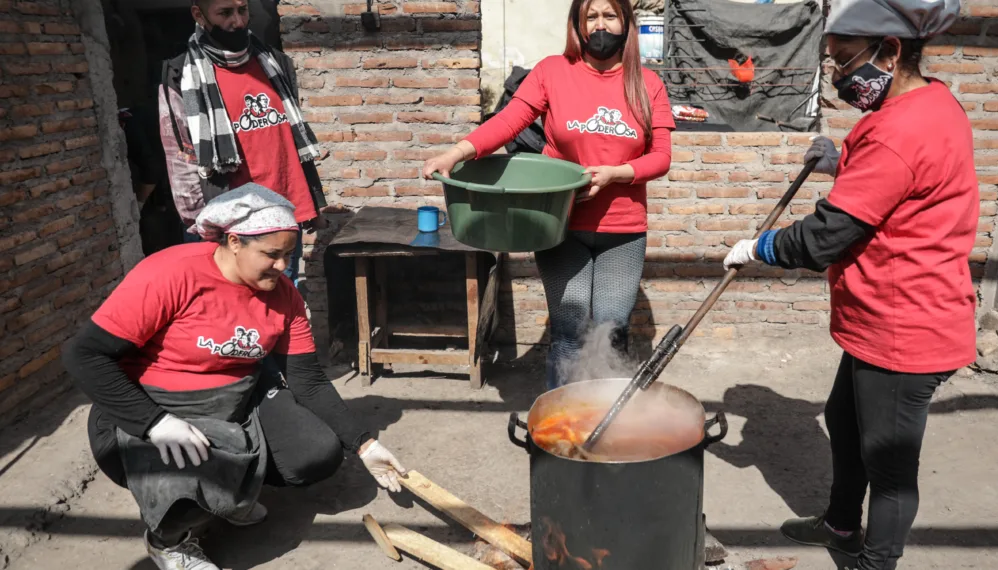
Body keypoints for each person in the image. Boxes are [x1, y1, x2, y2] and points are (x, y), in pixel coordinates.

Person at [723, 0, 975, 569]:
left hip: (905, 325)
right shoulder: (928, 103)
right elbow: (903, 181)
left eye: (844, 62)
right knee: (842, 419)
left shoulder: (898, 130)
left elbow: (822, 238)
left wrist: (759, 247)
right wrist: (843, 161)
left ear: (890, 51)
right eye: (833, 65)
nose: (838, 78)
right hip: (881, 314)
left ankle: (874, 562)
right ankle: (840, 524)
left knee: (889, 467)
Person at [63, 185, 406, 570]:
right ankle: (168, 540)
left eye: (288, 255)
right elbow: (84, 355)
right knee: (190, 486)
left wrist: (363, 445)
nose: (281, 267)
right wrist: (154, 424)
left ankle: (232, 498)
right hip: (153, 405)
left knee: (314, 454)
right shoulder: (171, 273)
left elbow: (307, 380)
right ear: (234, 242)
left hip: (234, 399)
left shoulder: (284, 294)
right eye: (271, 255)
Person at [423, 0, 675, 391]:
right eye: (590, 16)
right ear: (577, 24)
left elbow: (660, 157)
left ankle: (609, 424)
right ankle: (561, 427)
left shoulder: (647, 83)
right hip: (558, 224)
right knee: (570, 329)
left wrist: (616, 175)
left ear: (626, 23)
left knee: (613, 328)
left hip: (622, 229)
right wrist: (457, 152)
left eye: (610, 15)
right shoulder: (553, 72)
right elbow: (508, 121)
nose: (600, 25)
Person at [158, 0, 326, 281]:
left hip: (284, 211)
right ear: (199, 14)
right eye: (225, 13)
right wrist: (200, 224)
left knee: (286, 301)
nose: (237, 21)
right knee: (234, 312)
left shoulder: (275, 63)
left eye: (242, 10)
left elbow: (290, 140)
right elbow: (181, 160)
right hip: (232, 224)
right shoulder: (181, 76)